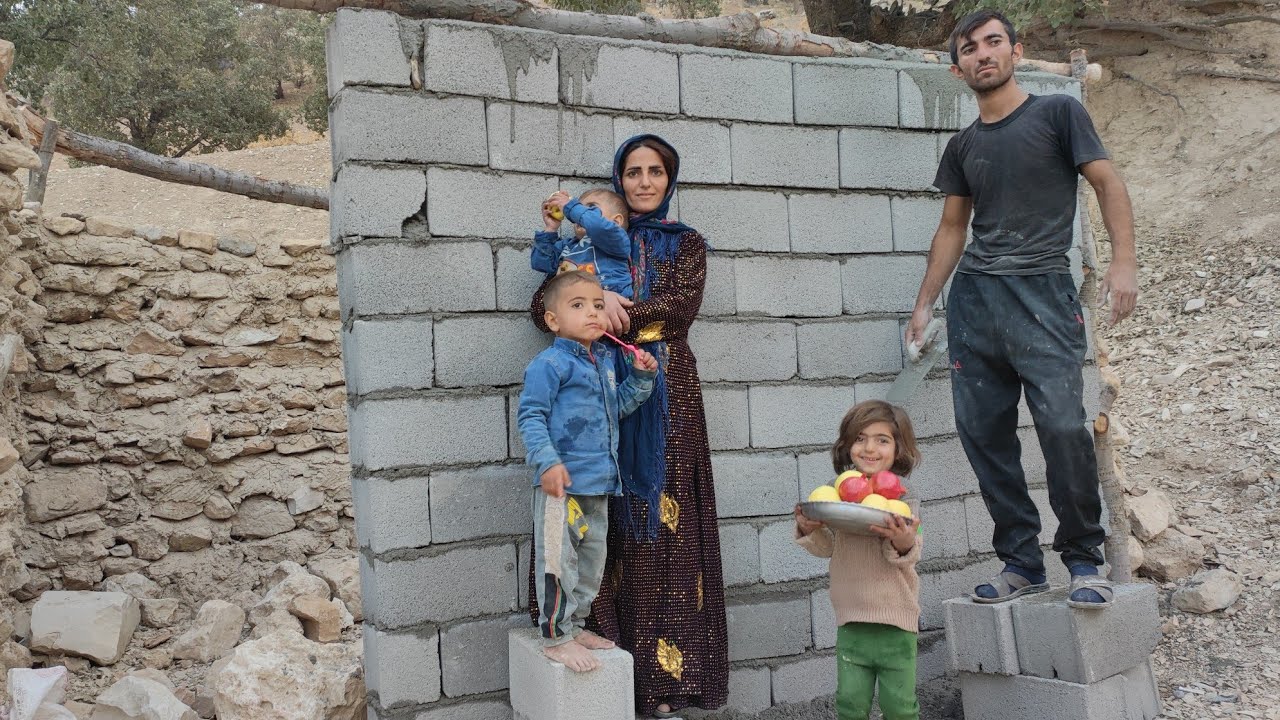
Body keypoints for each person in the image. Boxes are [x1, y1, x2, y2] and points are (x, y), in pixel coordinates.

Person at [906, 9, 1139, 609]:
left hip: (1042, 294)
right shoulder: (963, 146)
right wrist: (925, 305)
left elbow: (1109, 185)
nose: (982, 54)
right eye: (969, 49)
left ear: (1015, 50)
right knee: (982, 434)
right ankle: (1021, 563)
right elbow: (953, 227)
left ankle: (1084, 560)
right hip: (977, 301)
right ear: (957, 68)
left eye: (993, 43)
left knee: (1062, 426)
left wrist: (1123, 263)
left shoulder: (1058, 113)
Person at [528, 135, 728, 717]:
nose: (644, 182)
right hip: (593, 400)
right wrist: (588, 301)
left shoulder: (683, 243)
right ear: (619, 180)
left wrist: (616, 311)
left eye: (656, 172)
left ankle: (666, 690)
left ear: (670, 179)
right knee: (600, 532)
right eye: (633, 172)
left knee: (666, 530)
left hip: (667, 397)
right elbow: (544, 304)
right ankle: (593, 643)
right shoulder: (587, 242)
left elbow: (678, 308)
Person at [517, 270, 658, 672]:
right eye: (578, 306)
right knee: (559, 560)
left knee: (591, 563)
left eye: (598, 305)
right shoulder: (550, 364)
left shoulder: (604, 364)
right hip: (561, 486)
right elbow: (530, 416)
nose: (593, 313)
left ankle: (576, 625)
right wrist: (547, 462)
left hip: (599, 485)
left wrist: (643, 378)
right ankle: (556, 637)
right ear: (553, 320)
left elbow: (618, 409)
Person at [795, 400, 923, 720]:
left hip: (896, 623)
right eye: (860, 438)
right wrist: (809, 527)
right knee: (850, 704)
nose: (870, 448)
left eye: (883, 440)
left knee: (900, 707)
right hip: (851, 622)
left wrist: (903, 540)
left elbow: (909, 555)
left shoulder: (902, 499)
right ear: (847, 445)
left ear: (898, 449)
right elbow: (826, 548)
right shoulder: (838, 495)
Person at [532, 189, 634, 299]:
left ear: (616, 222)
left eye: (590, 207)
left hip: (609, 304)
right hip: (573, 305)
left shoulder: (616, 240)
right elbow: (541, 263)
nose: (578, 213)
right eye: (579, 208)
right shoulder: (568, 246)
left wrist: (570, 206)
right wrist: (550, 229)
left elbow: (597, 226)